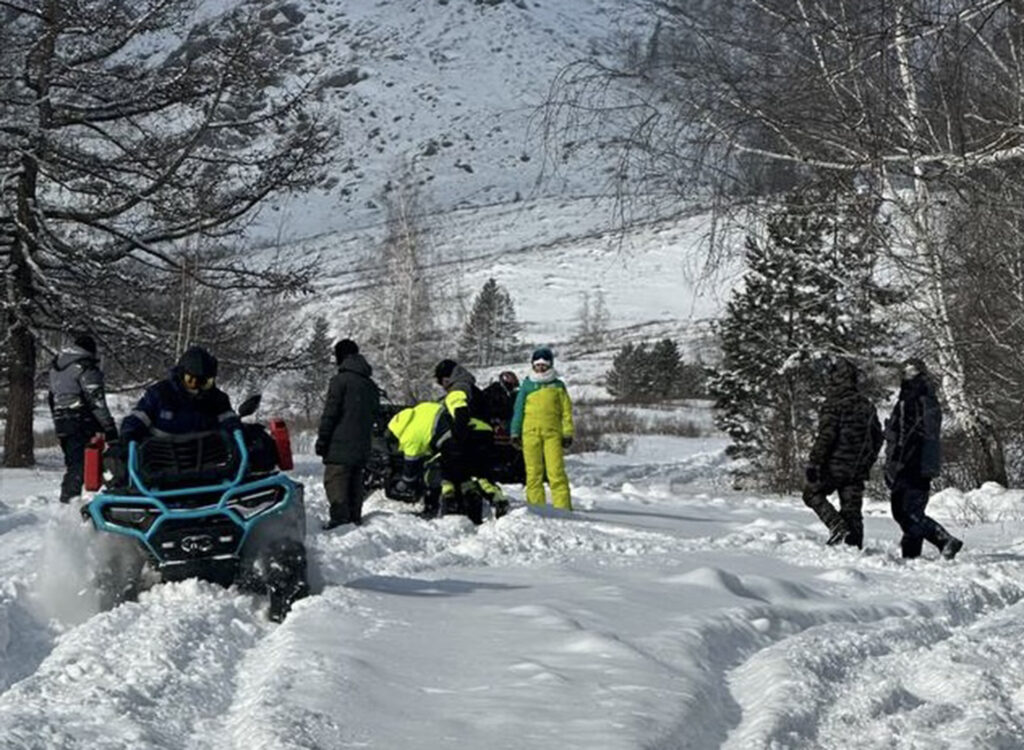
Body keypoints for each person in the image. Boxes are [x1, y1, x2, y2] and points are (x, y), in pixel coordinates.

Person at [883, 357, 963, 560]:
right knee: (909, 510)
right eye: (906, 371)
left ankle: (944, 540)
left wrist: (899, 458)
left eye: (911, 371)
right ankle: (911, 556)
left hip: (913, 461)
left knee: (905, 511)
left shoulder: (917, 398)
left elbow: (913, 434)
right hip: (917, 461)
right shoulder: (919, 397)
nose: (907, 376)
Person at [802, 358, 884, 549]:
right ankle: (854, 548)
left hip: (834, 466)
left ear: (835, 379)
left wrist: (814, 462)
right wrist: (868, 461)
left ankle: (836, 526)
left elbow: (826, 436)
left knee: (811, 494)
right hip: (858, 468)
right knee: (852, 509)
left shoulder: (834, 404)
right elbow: (878, 438)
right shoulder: (867, 405)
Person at [315, 339, 380, 529]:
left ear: (340, 356)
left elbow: (330, 414)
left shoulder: (339, 381)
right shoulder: (371, 385)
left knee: (336, 481)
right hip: (362, 444)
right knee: (355, 481)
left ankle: (340, 522)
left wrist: (323, 440)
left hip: (339, 444)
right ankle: (355, 519)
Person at [47, 333, 119, 503]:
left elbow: (51, 397)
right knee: (82, 464)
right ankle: (68, 503)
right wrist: (109, 427)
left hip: (62, 420)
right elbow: (96, 401)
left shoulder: (56, 368)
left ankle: (71, 499)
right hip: (81, 420)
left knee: (74, 463)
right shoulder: (86, 367)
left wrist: (57, 420)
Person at [433, 359, 506, 519]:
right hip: (485, 436)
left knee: (453, 474)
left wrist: (457, 437)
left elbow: (461, 413)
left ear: (447, 378)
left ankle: (452, 505)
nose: (443, 386)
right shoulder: (473, 388)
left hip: (470, 434)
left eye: (442, 382)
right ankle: (498, 500)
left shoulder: (457, 390)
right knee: (481, 475)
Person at [121, 345, 240, 442]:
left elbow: (228, 420)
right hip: (161, 456)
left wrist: (238, 431)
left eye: (204, 382)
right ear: (181, 375)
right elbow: (139, 417)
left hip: (207, 457)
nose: (196, 386)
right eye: (190, 380)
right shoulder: (160, 394)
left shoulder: (217, 399)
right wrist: (129, 433)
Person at [510, 347, 575, 511]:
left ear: (550, 365)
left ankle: (563, 508)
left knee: (556, 472)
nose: (540, 368)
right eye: (537, 365)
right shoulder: (527, 385)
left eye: (544, 365)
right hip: (530, 434)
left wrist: (567, 433)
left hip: (553, 434)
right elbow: (518, 410)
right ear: (533, 365)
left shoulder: (558, 386)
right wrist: (515, 432)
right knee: (533, 473)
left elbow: (566, 411)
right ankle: (537, 508)